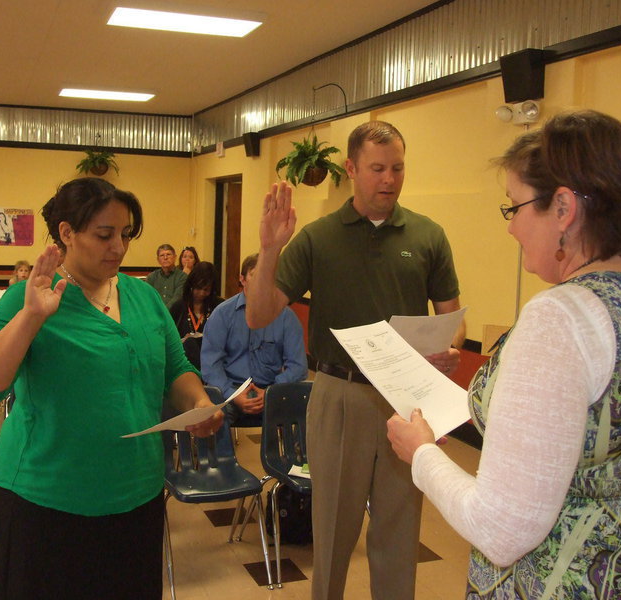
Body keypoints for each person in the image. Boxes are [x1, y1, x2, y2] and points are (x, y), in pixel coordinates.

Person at [387, 110, 621, 597]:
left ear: (564, 209)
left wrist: (420, 452)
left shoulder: (562, 318)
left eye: (515, 208)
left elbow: (501, 529)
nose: (511, 229)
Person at [0, 177, 223, 598]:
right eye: (104, 234)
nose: (118, 246)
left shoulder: (144, 298)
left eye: (125, 234)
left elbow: (176, 370)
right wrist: (30, 318)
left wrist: (200, 403)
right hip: (45, 504)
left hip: (135, 497)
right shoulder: (32, 297)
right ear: (67, 233)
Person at [247, 121, 464, 600]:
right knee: (333, 533)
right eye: (377, 169)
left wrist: (448, 349)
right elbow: (260, 314)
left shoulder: (429, 235)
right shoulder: (318, 238)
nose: (389, 179)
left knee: (399, 531)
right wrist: (269, 248)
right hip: (338, 395)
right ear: (351, 169)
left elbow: (454, 319)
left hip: (405, 401)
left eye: (398, 168)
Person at [202, 253, 307, 425]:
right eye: (255, 275)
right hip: (230, 390)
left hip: (272, 389)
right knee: (213, 416)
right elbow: (211, 365)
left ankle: (284, 452)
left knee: (307, 409)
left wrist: (269, 392)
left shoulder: (287, 317)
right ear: (242, 279)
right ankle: (224, 453)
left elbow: (299, 367)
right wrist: (233, 394)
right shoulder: (222, 314)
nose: (262, 281)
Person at [169, 261, 223, 368]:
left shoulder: (219, 307)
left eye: (206, 290)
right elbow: (170, 338)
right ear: (191, 285)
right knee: (189, 344)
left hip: (213, 359)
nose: (202, 293)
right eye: (198, 288)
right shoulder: (178, 307)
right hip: (184, 362)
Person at [146, 243, 187, 307]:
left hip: (174, 314)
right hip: (154, 313)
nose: (165, 258)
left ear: (175, 257)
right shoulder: (151, 277)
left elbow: (178, 298)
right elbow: (148, 298)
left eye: (168, 254)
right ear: (158, 260)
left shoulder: (182, 277)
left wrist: (163, 312)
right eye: (162, 255)